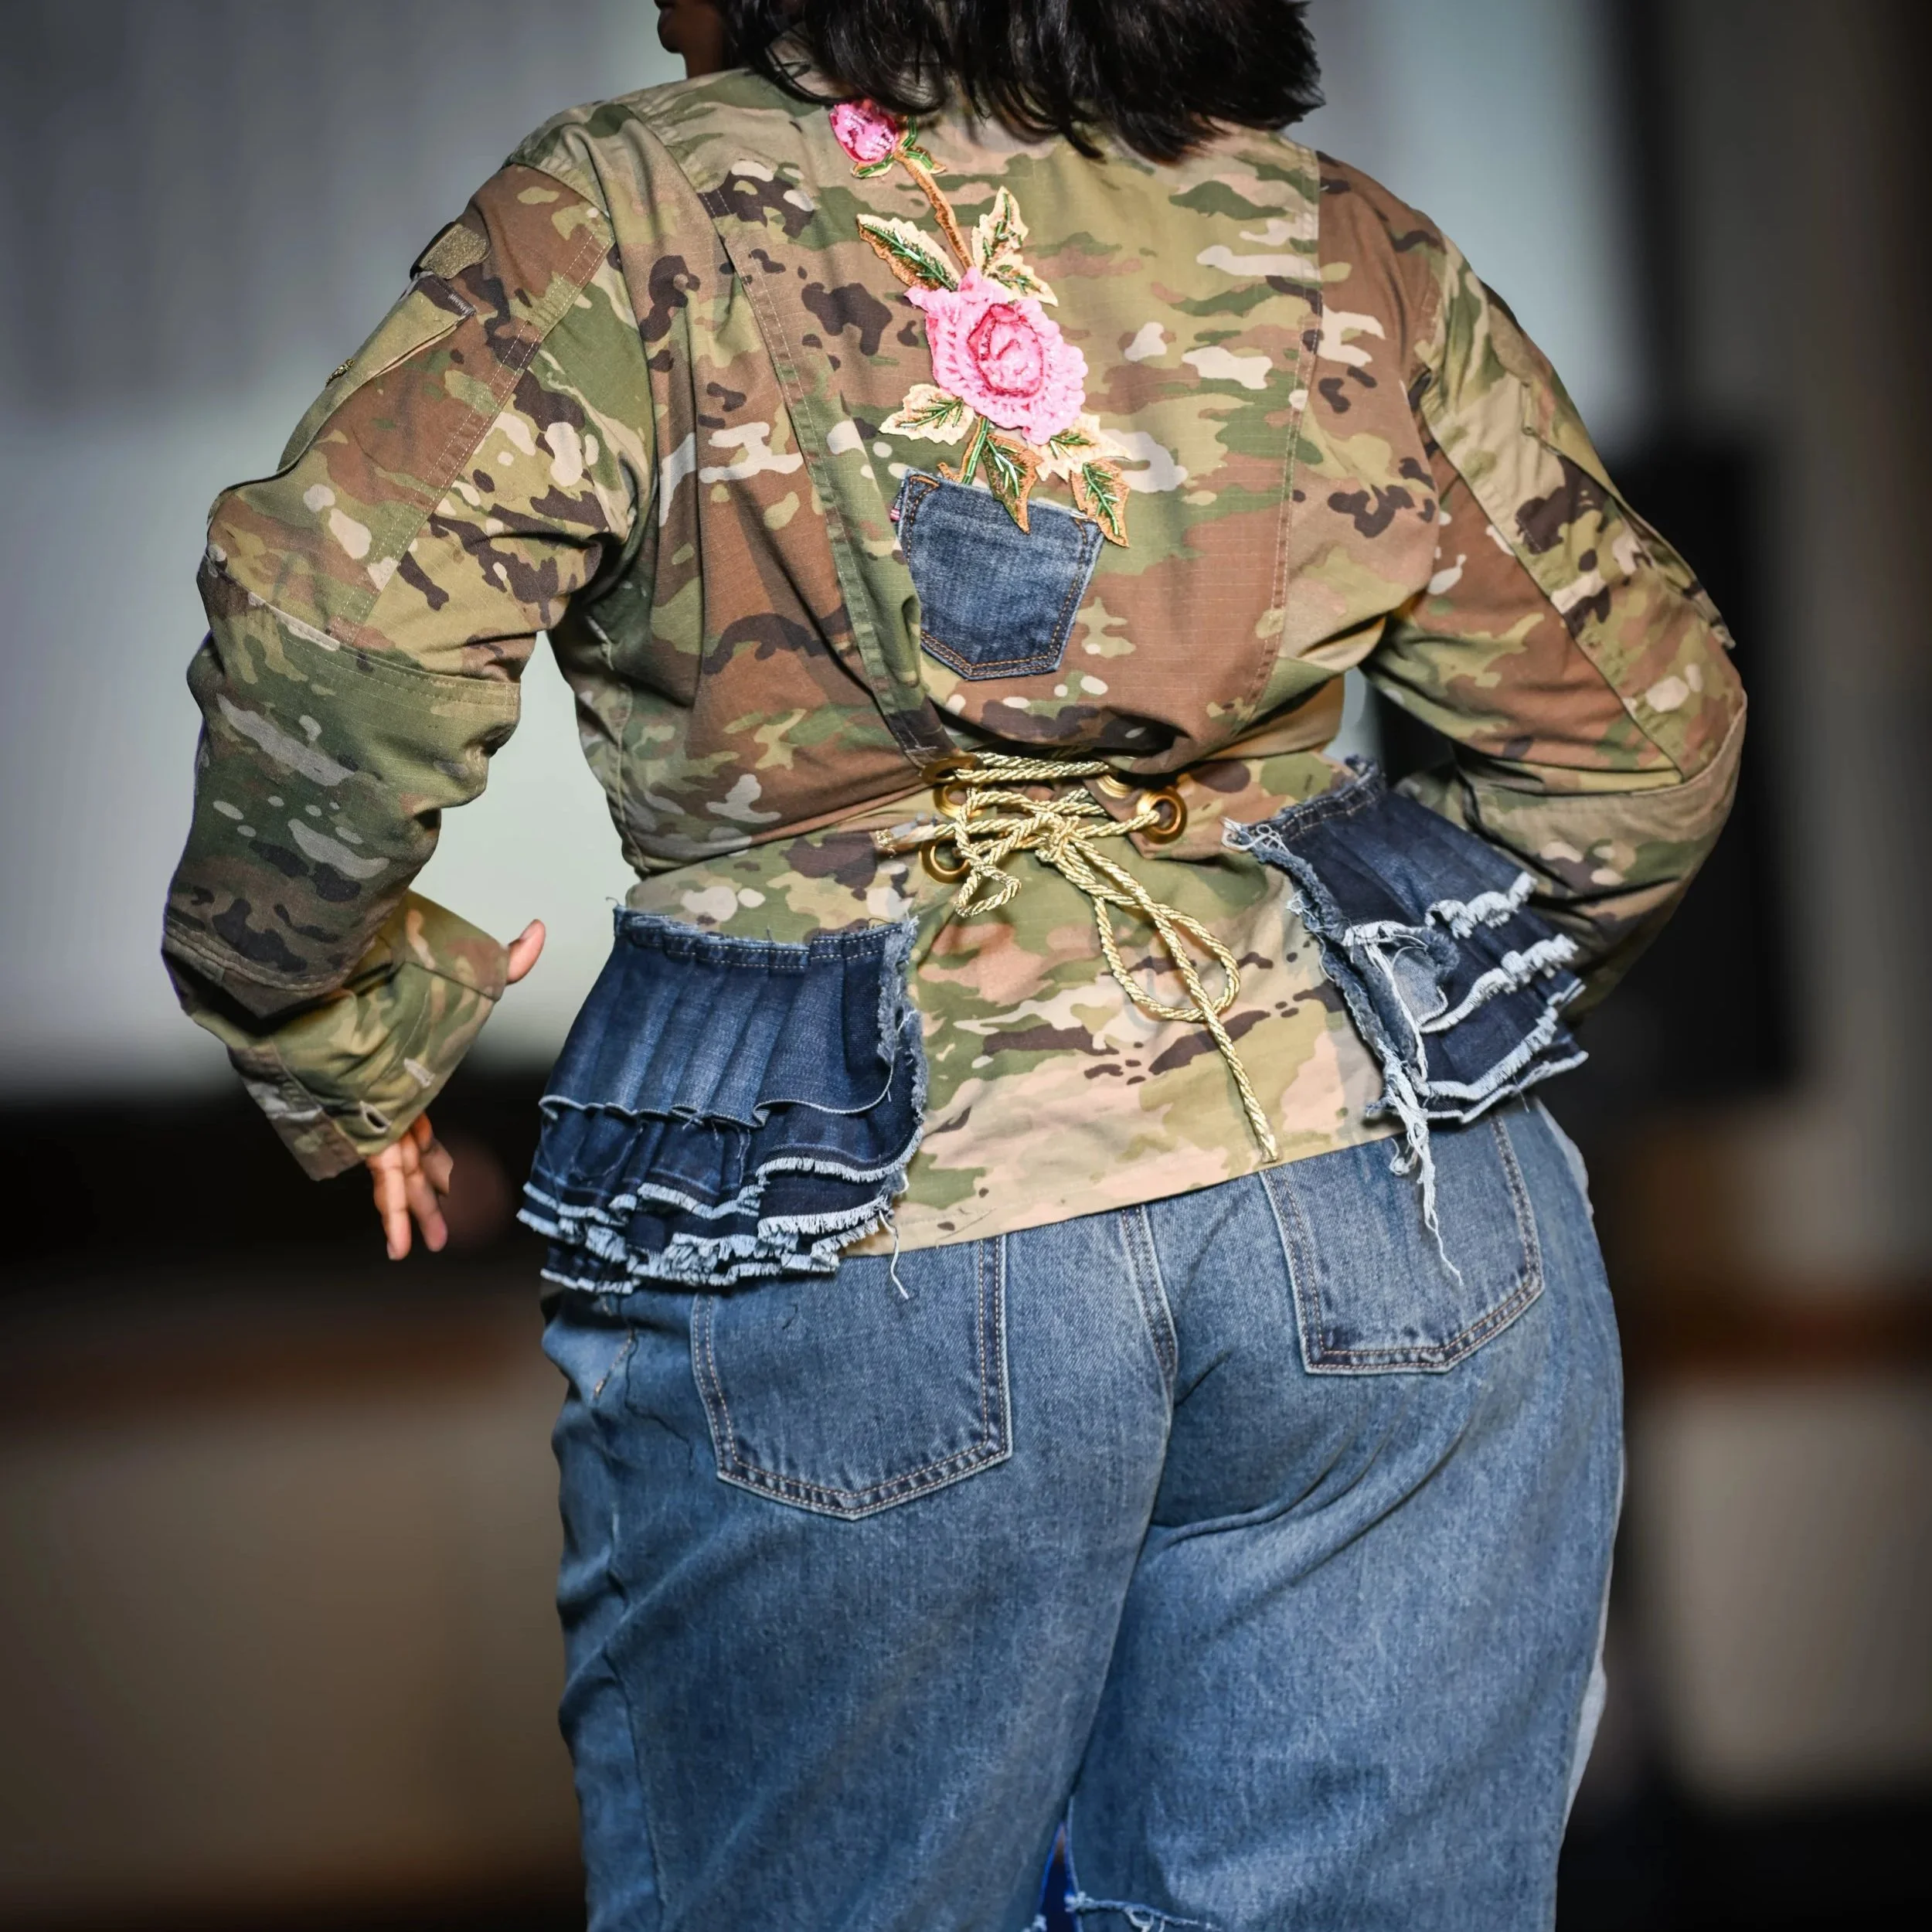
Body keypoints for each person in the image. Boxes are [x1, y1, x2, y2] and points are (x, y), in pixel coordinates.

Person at [161, 2, 1743, 1925]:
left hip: (861, 1213)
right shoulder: (1335, 232)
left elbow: (325, 639)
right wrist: (1376, 990)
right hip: (1401, 1202)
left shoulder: (619, 213)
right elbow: (1644, 738)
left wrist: (343, 1022)